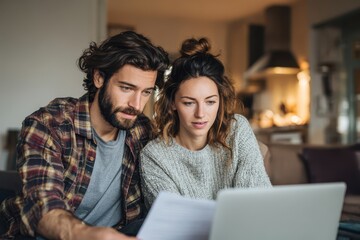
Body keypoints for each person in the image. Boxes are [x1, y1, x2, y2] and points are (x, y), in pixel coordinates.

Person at [0, 31, 169, 240]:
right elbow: (43, 210)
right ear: (99, 77)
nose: (136, 104)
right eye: (126, 88)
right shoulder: (49, 125)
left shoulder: (143, 131)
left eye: (146, 92)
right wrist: (94, 235)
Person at [140, 37, 271, 207]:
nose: (200, 114)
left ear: (220, 100)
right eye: (189, 103)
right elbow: (175, 222)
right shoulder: (154, 156)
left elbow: (256, 203)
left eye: (210, 102)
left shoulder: (237, 129)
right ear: (172, 103)